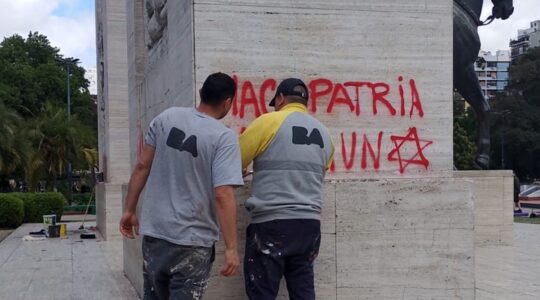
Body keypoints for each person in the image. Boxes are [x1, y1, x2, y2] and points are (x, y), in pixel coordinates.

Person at [119, 72, 244, 300]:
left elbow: (142, 166)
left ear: (200, 94)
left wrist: (129, 210)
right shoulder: (223, 138)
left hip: (156, 235)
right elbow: (223, 194)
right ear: (227, 102)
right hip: (193, 242)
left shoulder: (166, 118)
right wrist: (232, 248)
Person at [239, 78, 334, 299]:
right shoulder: (325, 134)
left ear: (280, 98)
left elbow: (231, 162)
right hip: (309, 226)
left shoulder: (269, 122)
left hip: (272, 223)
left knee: (262, 293)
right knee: (303, 292)